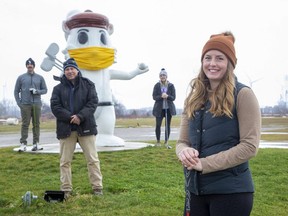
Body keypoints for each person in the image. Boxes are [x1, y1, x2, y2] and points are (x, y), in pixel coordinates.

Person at [176, 32, 261, 216]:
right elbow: (182, 142)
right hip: (195, 191)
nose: (212, 63)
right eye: (208, 58)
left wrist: (204, 164)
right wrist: (184, 152)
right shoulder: (192, 98)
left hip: (231, 193)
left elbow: (249, 146)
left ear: (230, 63)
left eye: (219, 58)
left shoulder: (243, 95)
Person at [50, 58, 103, 199]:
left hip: (86, 127)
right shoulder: (57, 89)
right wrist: (70, 117)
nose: (69, 71)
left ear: (77, 70)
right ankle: (66, 190)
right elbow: (55, 107)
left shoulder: (88, 85)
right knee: (65, 161)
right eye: (67, 69)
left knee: (93, 159)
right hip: (66, 129)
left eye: (72, 68)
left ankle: (97, 188)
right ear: (64, 71)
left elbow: (93, 103)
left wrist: (80, 116)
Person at [14, 58, 47, 151]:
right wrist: (19, 103)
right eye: (28, 65)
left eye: (31, 65)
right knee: (25, 124)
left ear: (33, 66)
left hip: (36, 104)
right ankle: (23, 144)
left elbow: (45, 90)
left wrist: (37, 91)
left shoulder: (40, 78)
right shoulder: (21, 77)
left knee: (36, 124)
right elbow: (16, 91)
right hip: (25, 104)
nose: (30, 66)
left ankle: (36, 143)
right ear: (26, 66)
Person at [152, 68, 176, 149]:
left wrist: (167, 96)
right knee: (158, 125)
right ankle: (158, 141)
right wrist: (161, 96)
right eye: (161, 75)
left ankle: (166, 141)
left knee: (167, 125)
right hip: (159, 109)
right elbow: (154, 97)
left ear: (166, 76)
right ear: (159, 76)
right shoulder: (157, 85)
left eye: (164, 75)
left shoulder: (171, 85)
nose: (162, 76)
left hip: (168, 109)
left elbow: (173, 97)